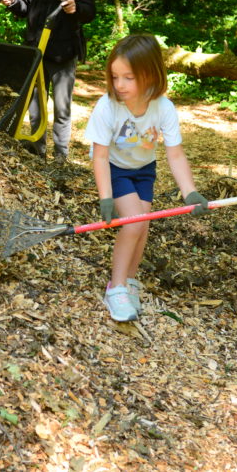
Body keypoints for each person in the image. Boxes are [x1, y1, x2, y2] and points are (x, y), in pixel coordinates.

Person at [83, 34, 209, 322]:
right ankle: (116, 288)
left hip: (144, 170)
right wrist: (105, 197)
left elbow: (175, 155)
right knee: (134, 222)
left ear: (150, 74)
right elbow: (100, 156)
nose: (120, 85)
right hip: (115, 169)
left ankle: (129, 282)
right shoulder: (108, 105)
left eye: (128, 77)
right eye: (115, 77)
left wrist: (190, 192)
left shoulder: (163, 107)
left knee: (143, 225)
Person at [1, 0, 96, 161]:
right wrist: (13, 2)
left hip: (63, 52)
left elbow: (90, 11)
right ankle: (38, 150)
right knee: (36, 107)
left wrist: (76, 8)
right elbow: (25, 8)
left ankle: (61, 156)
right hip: (36, 52)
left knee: (62, 108)